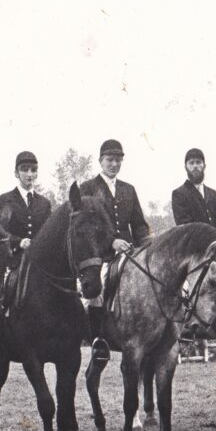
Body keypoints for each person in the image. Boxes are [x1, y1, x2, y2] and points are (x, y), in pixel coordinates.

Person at [79, 139, 152, 361]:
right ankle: (98, 339)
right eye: (110, 159)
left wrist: (147, 245)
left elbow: (138, 223)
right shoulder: (88, 188)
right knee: (97, 288)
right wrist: (112, 242)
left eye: (118, 160)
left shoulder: (128, 189)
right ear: (100, 160)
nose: (114, 164)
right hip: (100, 253)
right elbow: (88, 225)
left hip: (130, 251)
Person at [0, 150, 53, 360]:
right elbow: (0, 230)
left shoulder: (44, 203)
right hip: (14, 259)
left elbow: (49, 232)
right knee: (3, 291)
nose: (29, 174)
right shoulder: (6, 199)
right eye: (25, 170)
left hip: (39, 263)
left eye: (33, 170)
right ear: (16, 173)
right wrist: (19, 242)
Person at [171, 148, 216, 233]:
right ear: (186, 167)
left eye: (198, 162)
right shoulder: (178, 194)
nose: (195, 166)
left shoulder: (212, 193)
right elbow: (184, 224)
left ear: (204, 166)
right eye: (191, 163)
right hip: (194, 243)